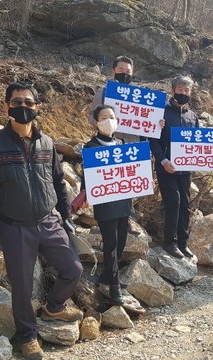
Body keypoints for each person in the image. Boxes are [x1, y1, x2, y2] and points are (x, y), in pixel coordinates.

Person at [0, 81, 83, 360]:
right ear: (7, 106)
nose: (23, 107)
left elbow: (58, 183)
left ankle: (54, 306)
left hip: (48, 221)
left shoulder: (47, 142)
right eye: (17, 102)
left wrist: (66, 218)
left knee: (73, 268)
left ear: (37, 107)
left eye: (28, 103)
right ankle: (27, 337)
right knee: (21, 287)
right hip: (14, 225)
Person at [82, 105, 131, 305]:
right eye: (104, 117)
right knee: (110, 244)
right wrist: (86, 193)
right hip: (104, 202)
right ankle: (114, 286)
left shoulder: (121, 143)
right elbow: (88, 174)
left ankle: (107, 276)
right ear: (96, 122)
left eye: (112, 116)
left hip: (123, 201)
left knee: (121, 243)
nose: (108, 120)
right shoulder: (91, 146)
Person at [88, 55, 141, 235]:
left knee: (128, 184)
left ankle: (126, 221)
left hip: (132, 144)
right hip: (108, 142)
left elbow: (148, 121)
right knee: (112, 182)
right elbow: (90, 116)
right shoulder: (103, 92)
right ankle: (109, 221)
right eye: (121, 71)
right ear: (113, 72)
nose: (124, 74)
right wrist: (101, 124)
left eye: (128, 72)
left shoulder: (139, 97)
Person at [149, 75, 199, 259]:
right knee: (173, 203)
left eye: (187, 91)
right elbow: (153, 142)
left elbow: (197, 143)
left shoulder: (192, 116)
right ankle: (170, 242)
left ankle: (183, 243)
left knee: (185, 205)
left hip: (185, 170)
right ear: (172, 91)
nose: (184, 93)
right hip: (166, 168)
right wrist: (163, 161)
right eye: (180, 90)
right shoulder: (161, 113)